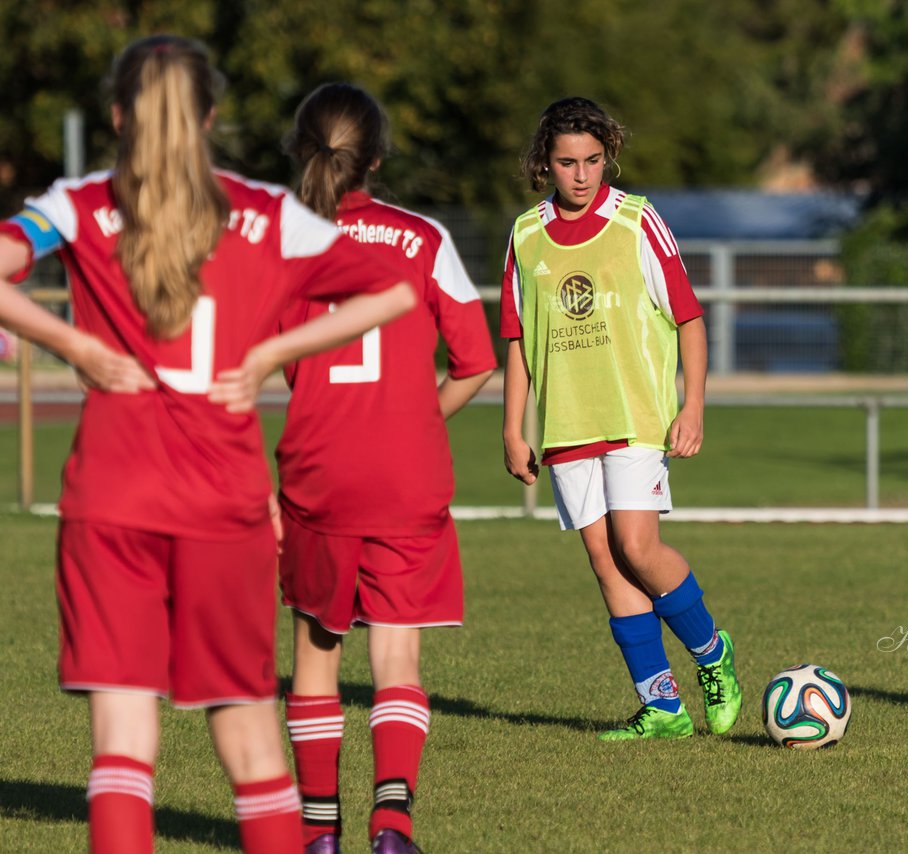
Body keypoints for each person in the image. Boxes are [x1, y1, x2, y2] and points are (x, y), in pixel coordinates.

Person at [0, 36, 417, 853]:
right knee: (253, 744)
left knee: (122, 746)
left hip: (111, 494)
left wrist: (74, 347)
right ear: (212, 119)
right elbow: (393, 290)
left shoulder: (82, 203)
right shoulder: (263, 212)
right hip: (222, 500)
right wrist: (267, 354)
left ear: (118, 116)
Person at [277, 83, 496, 854]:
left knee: (316, 654)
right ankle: (393, 824)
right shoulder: (424, 235)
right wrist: (410, 420)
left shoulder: (274, 241)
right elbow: (475, 362)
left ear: (304, 152)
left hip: (318, 473)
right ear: (376, 155)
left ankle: (318, 834)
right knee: (396, 655)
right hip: (406, 474)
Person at [500, 97, 742, 741]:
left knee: (637, 546)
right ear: (543, 164)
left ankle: (713, 654)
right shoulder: (525, 235)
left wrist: (692, 405)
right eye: (566, 162)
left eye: (593, 161)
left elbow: (688, 318)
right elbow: (520, 340)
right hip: (566, 425)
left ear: (607, 156)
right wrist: (512, 426)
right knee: (606, 563)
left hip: (636, 416)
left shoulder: (637, 220)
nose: (581, 175)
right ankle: (661, 705)